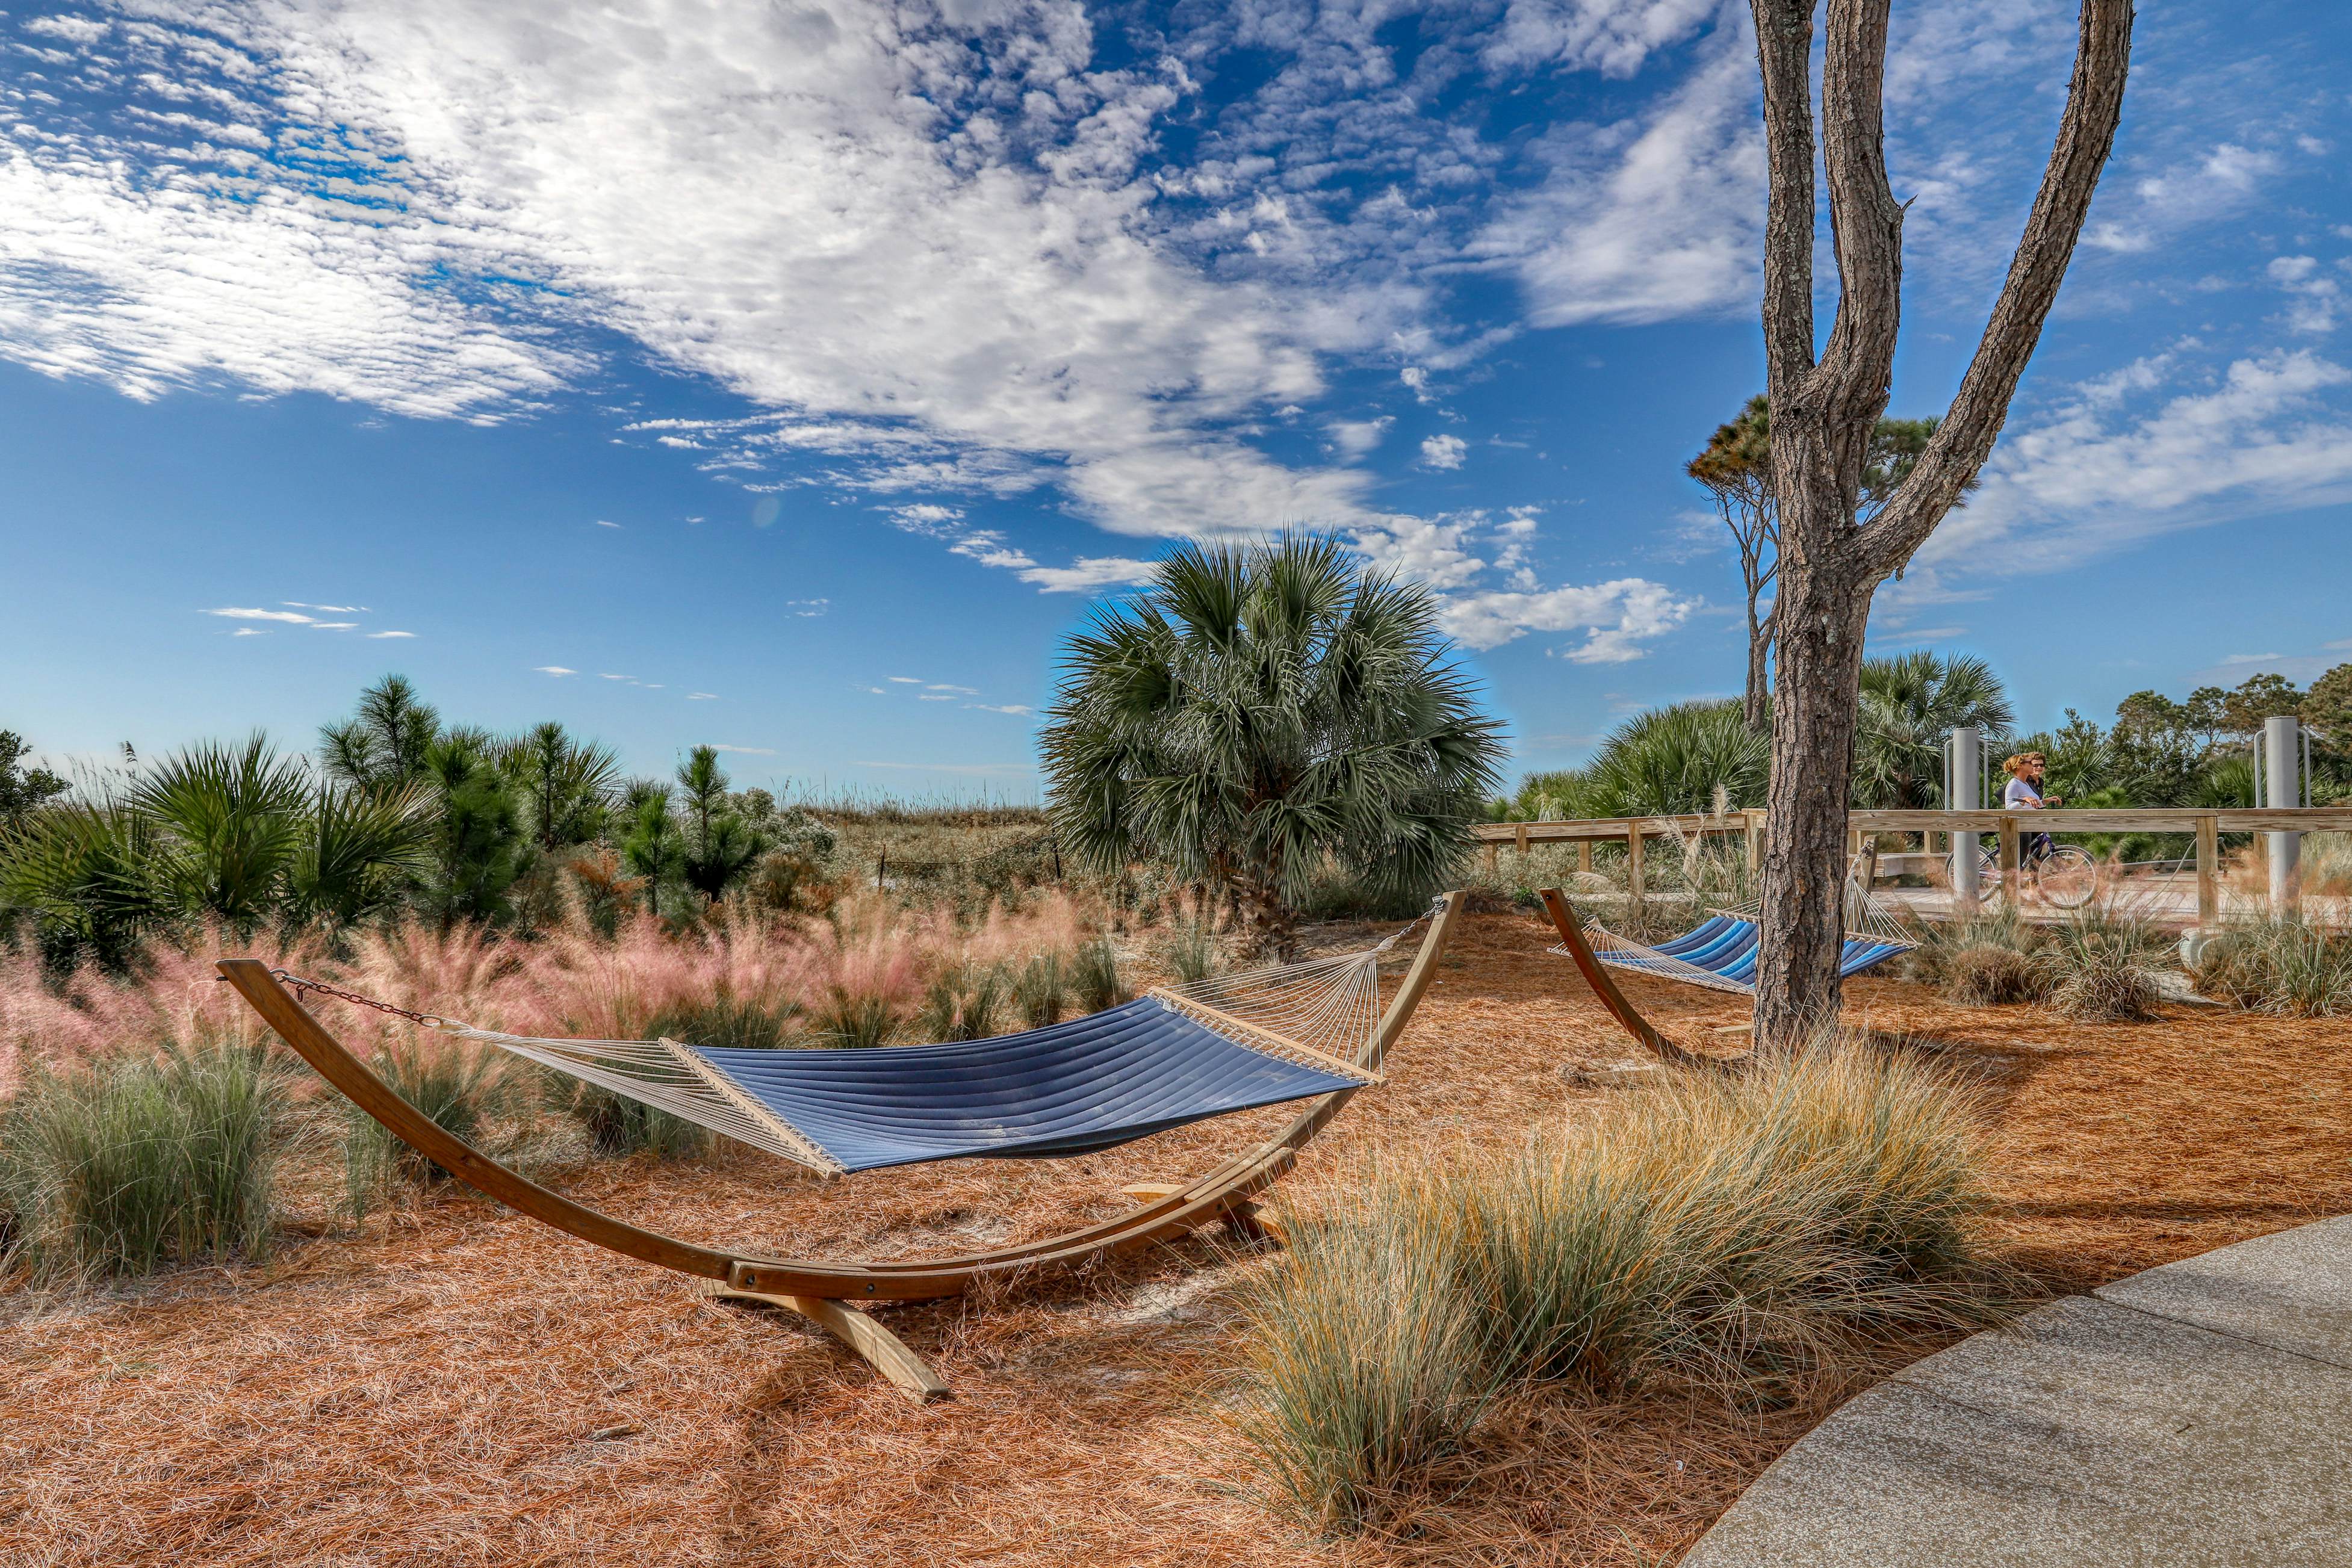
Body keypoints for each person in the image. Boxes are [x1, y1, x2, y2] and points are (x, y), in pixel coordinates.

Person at [2001, 752, 2062, 866]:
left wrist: (2046, 801)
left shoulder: (2025, 784)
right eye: (2030, 763)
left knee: (2028, 858)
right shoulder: (2014, 784)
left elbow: (2032, 804)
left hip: (2029, 824)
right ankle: (2010, 881)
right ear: (2021, 766)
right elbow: (2009, 808)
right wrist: (2024, 800)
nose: (2033, 766)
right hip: (2020, 827)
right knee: (2018, 861)